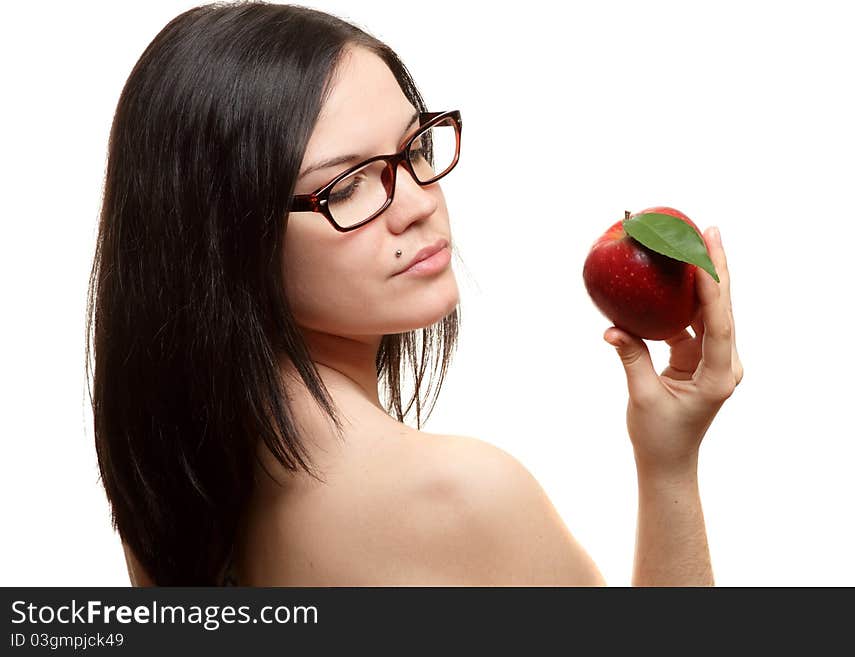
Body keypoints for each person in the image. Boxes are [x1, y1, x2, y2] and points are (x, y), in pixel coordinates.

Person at [88, 1, 743, 587]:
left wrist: (666, 452)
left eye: (414, 146)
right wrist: (670, 473)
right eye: (346, 185)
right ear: (223, 238)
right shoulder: (460, 497)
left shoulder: (174, 483)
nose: (417, 201)